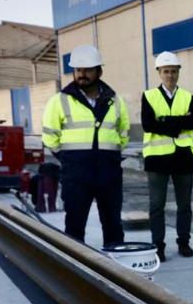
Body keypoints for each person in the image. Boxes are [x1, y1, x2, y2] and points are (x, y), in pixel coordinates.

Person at [41, 44, 129, 246]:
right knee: (74, 227)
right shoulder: (59, 101)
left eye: (88, 70)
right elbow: (49, 136)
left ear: (99, 71)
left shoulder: (115, 101)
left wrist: (112, 153)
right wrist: (67, 158)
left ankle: (115, 272)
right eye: (78, 70)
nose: (82, 74)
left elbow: (123, 132)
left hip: (109, 173)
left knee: (113, 226)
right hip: (76, 174)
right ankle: (76, 271)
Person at [141, 50, 193, 261]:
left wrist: (163, 120)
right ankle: (159, 246)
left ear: (178, 72)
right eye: (166, 71)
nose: (170, 75)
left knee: (185, 205)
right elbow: (148, 124)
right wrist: (176, 124)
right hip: (157, 159)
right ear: (159, 72)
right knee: (157, 205)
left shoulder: (188, 97)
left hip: (183, 157)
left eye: (173, 71)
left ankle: (184, 243)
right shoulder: (149, 96)